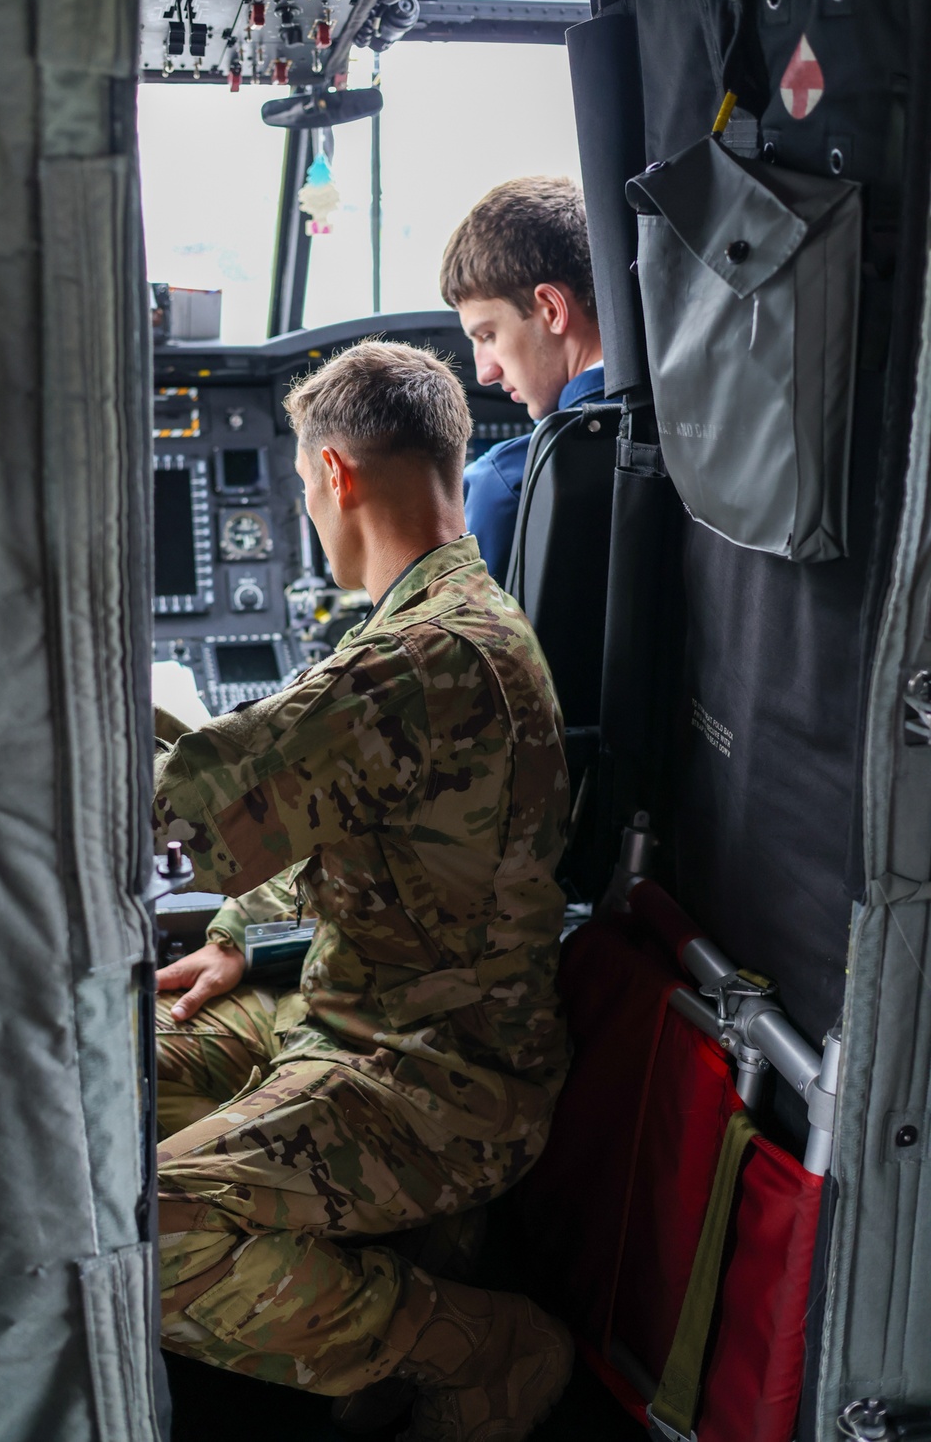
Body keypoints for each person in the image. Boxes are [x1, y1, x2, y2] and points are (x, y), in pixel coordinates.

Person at [151, 340, 573, 1442]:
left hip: (432, 1076)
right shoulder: (440, 624)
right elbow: (341, 815)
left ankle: (484, 1348)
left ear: (334, 473)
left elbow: (190, 799)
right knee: (95, 1072)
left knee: (141, 1226)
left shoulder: (427, 657)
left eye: (300, 482)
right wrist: (241, 933)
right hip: (345, 1005)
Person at [440, 176, 605, 585]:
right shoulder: (693, 424)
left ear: (552, 309)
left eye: (488, 336)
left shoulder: (508, 484)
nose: (484, 372)